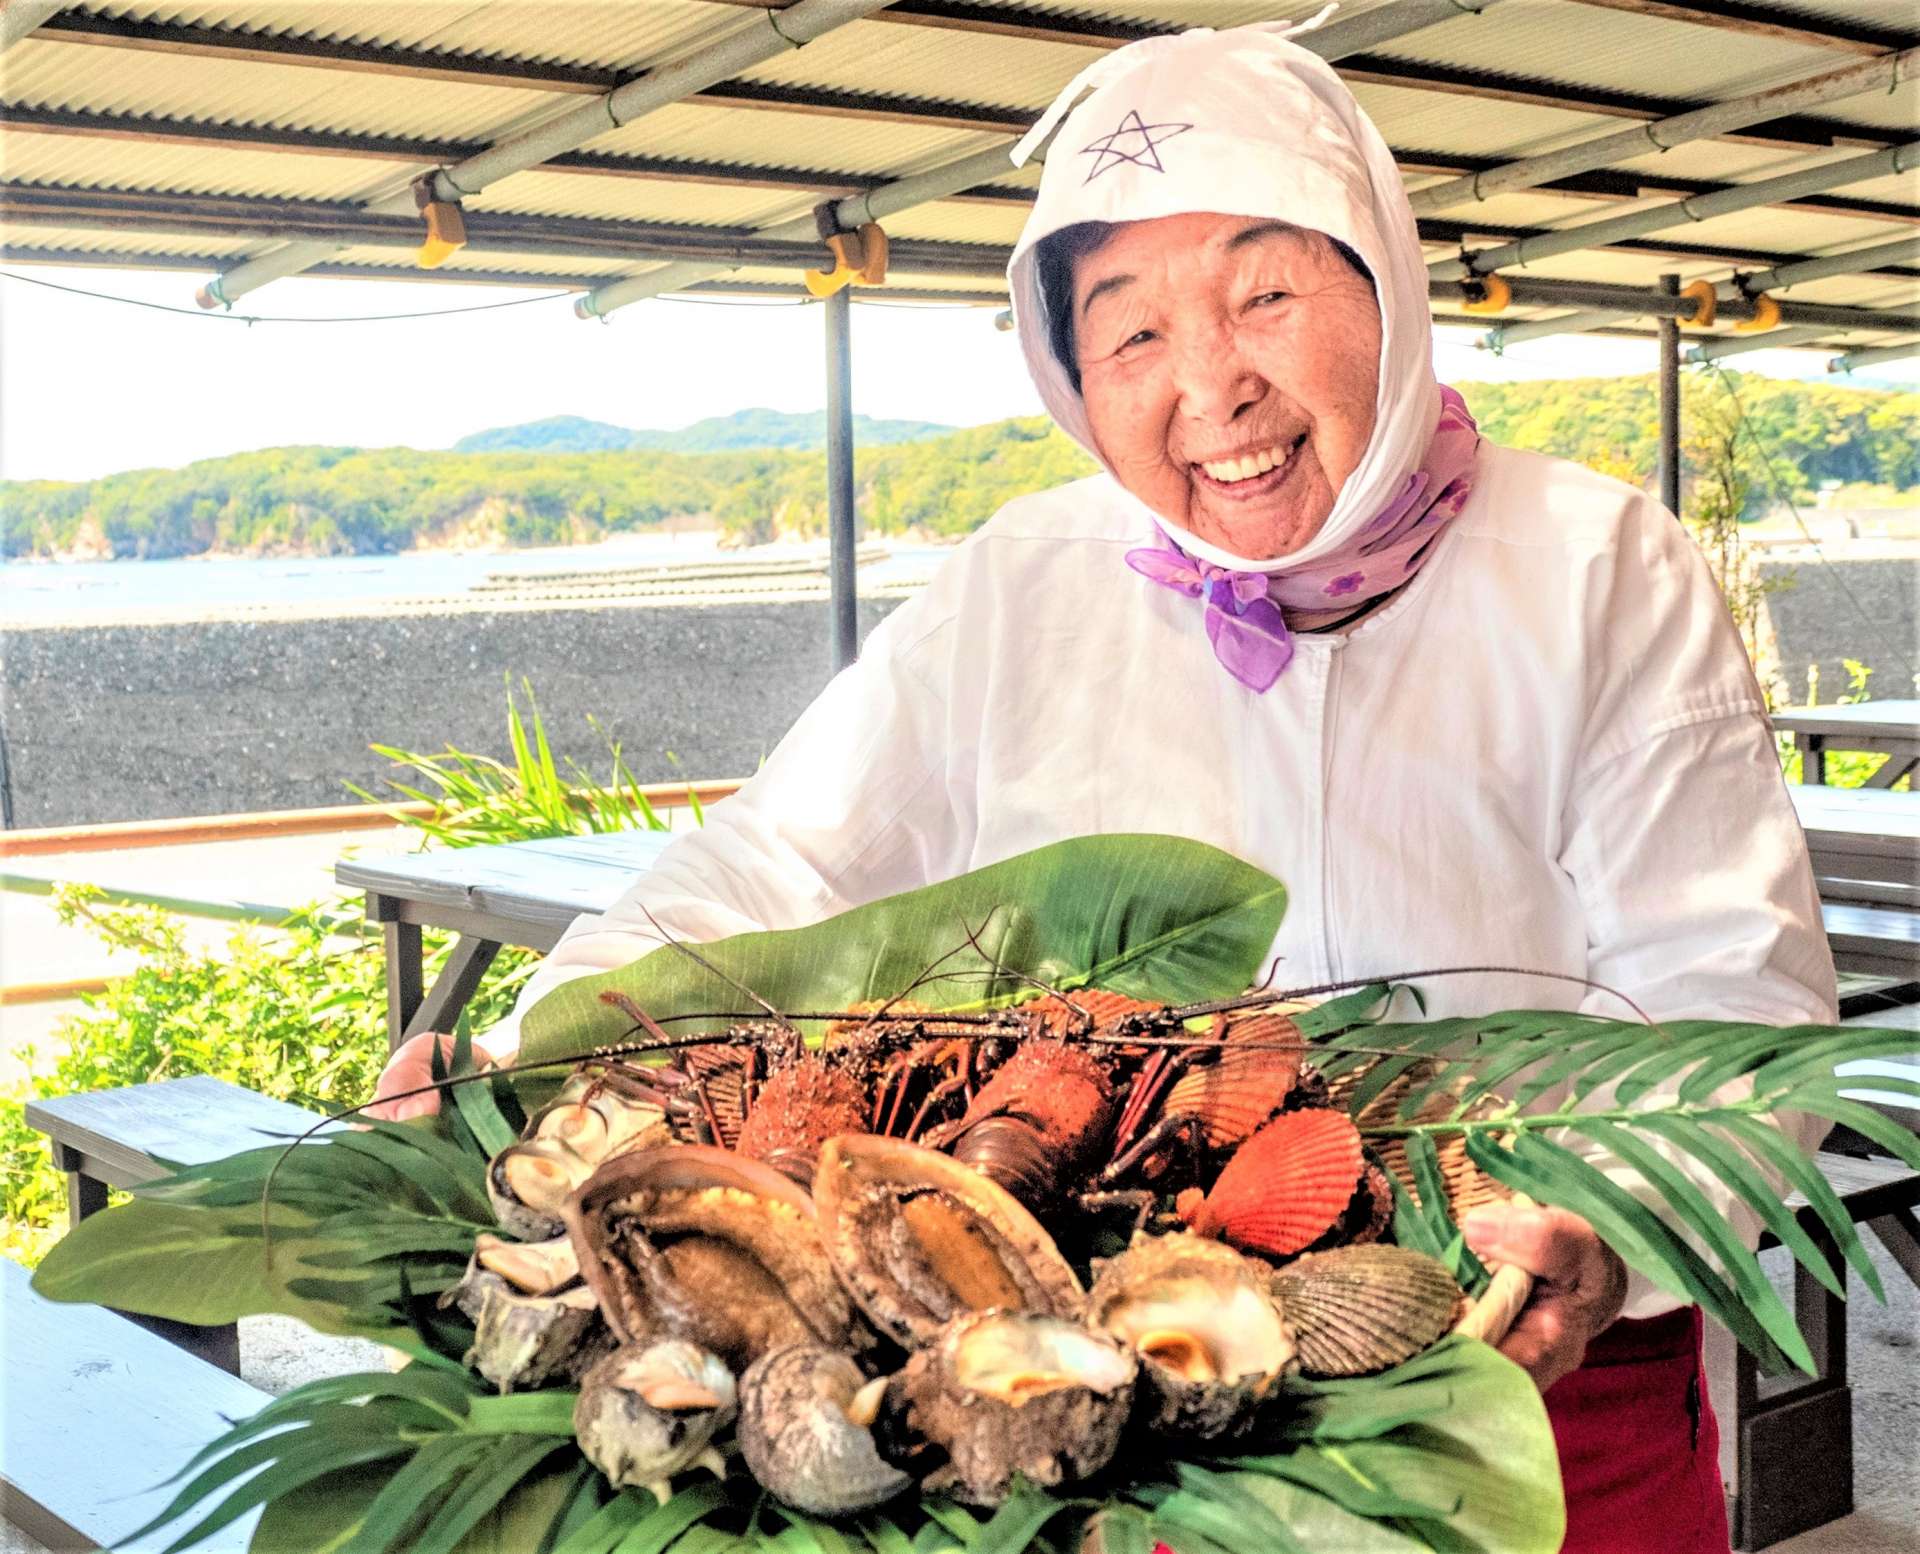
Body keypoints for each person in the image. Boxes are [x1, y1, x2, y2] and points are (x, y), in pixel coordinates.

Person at [375, 21, 1833, 1551]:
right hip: (1100, 1427)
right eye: (1131, 335)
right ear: (1068, 369)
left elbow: (1731, 996)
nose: (1213, 387)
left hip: (1523, 1397)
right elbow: (776, 865)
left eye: (1267, 292)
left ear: (1388, 287)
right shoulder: (1022, 578)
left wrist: (1593, 1229)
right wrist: (545, 1056)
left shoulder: (1600, 564)